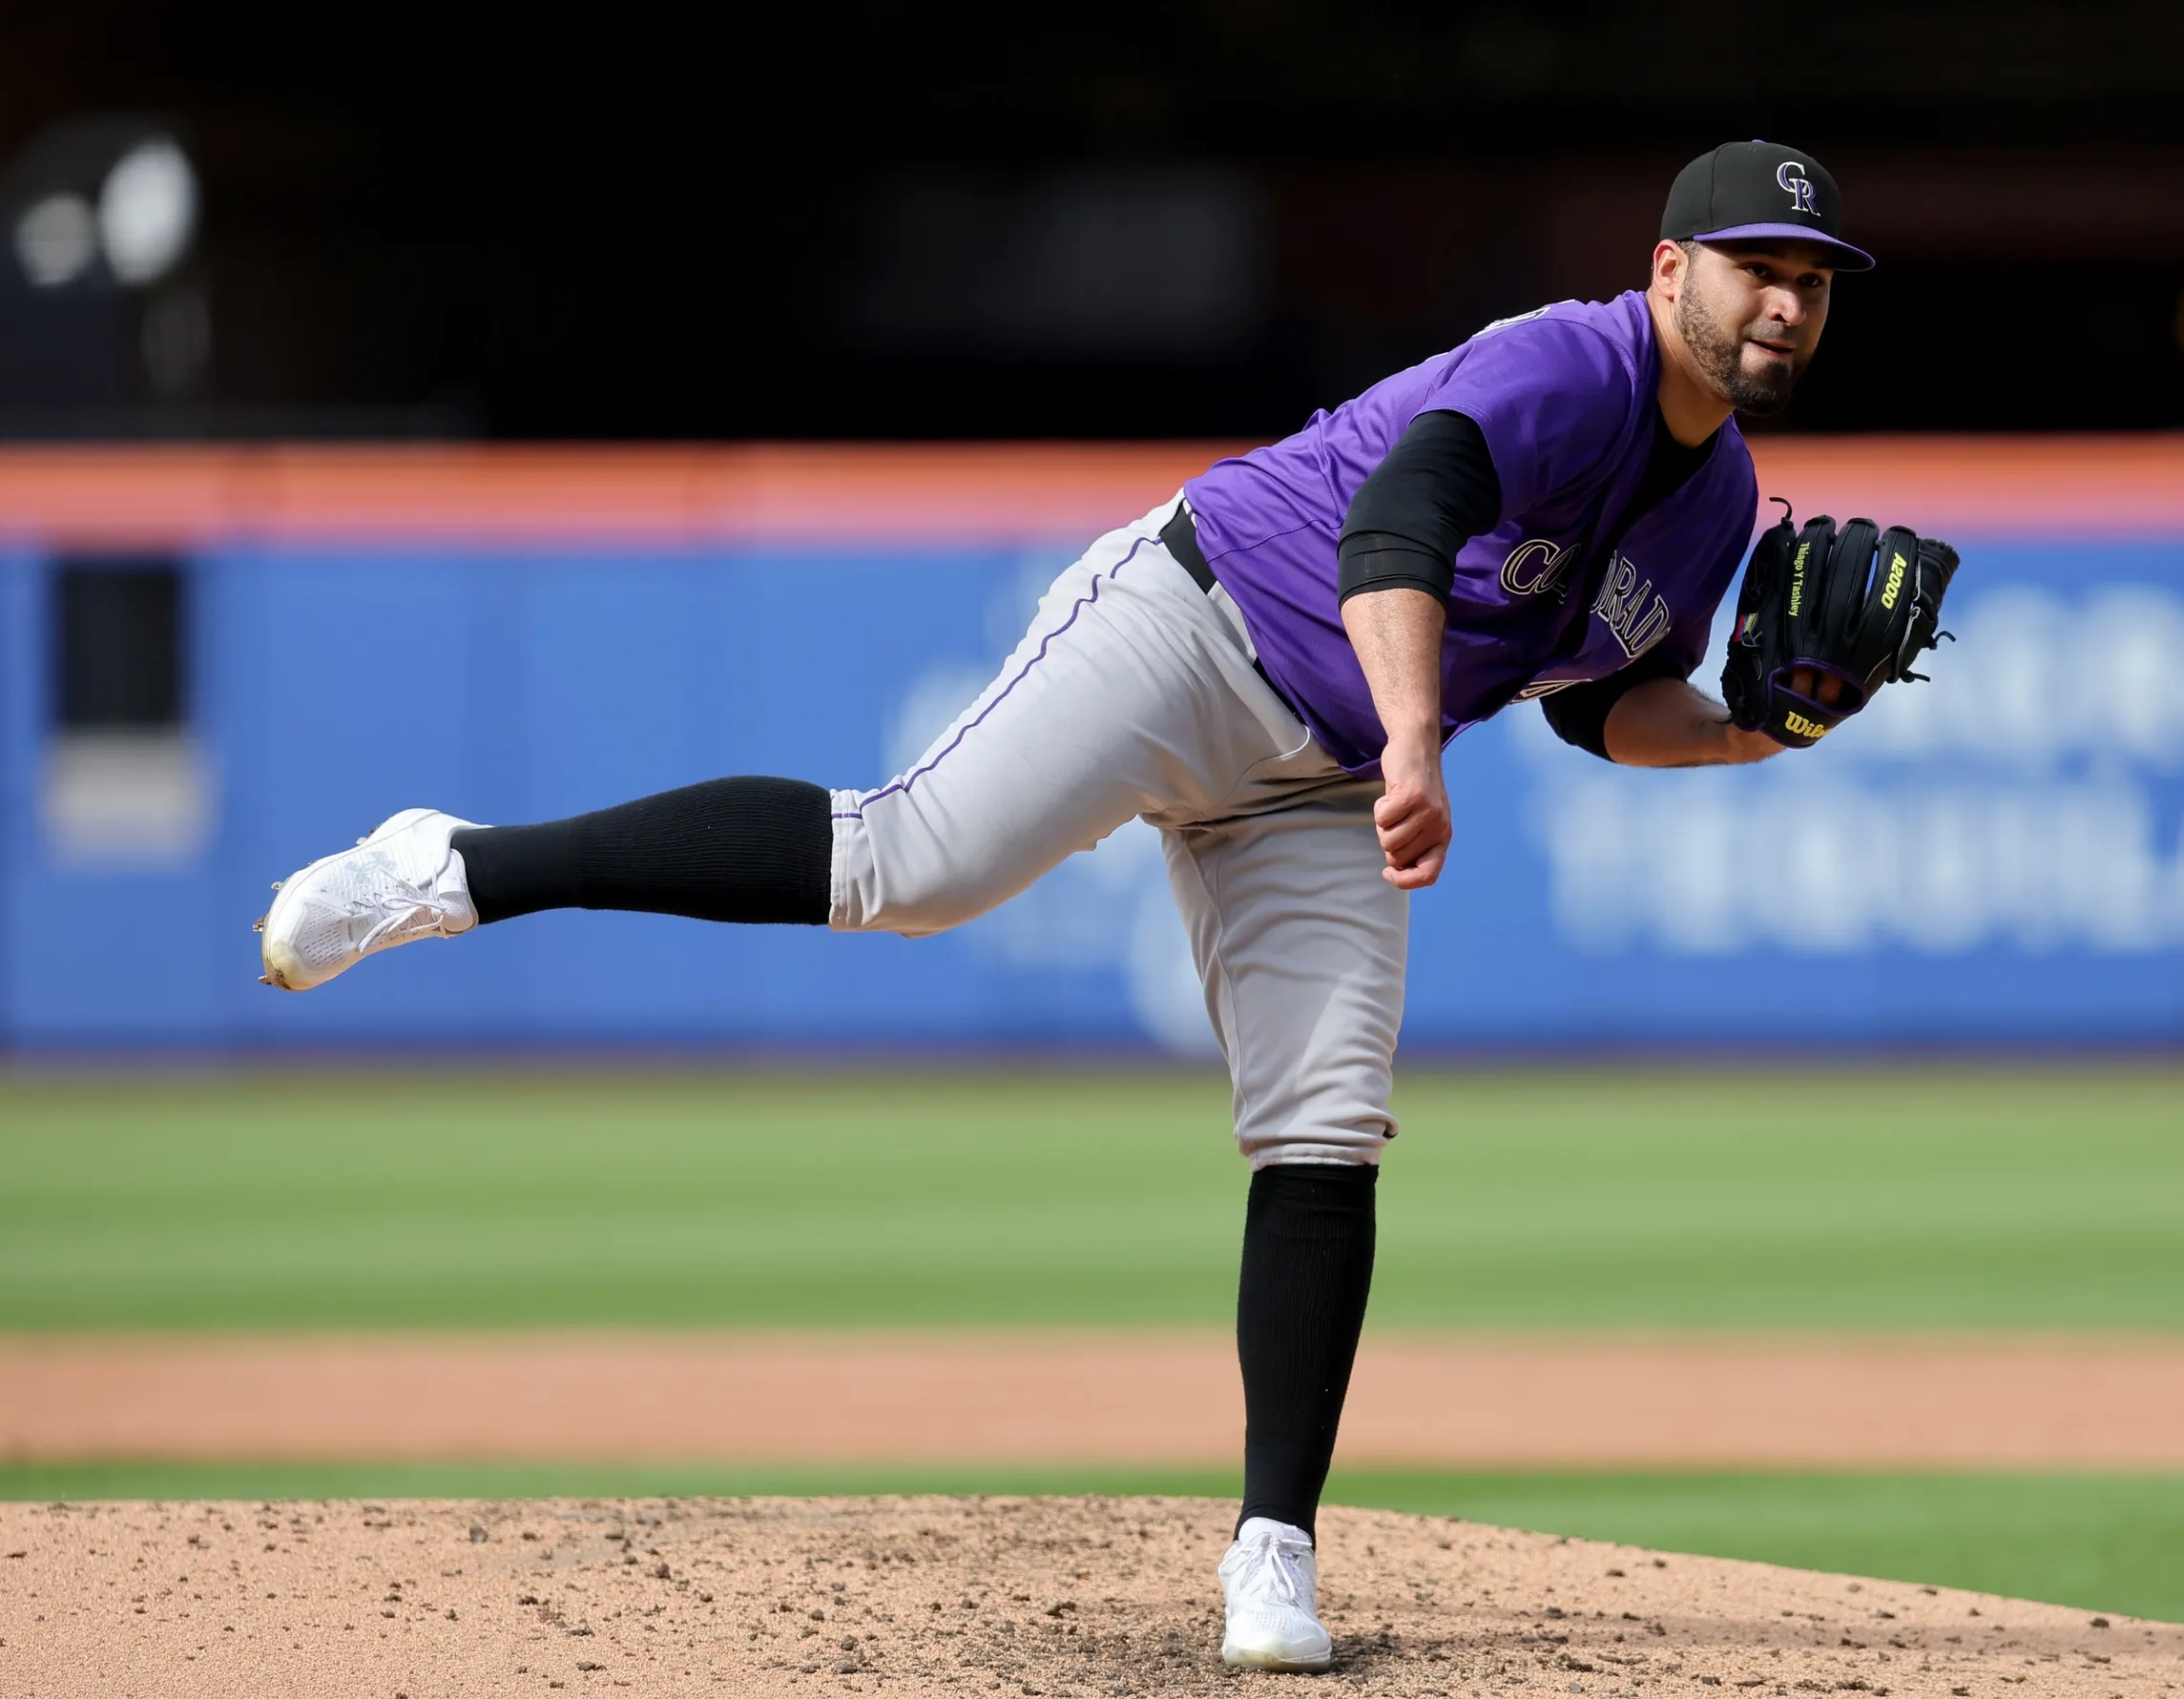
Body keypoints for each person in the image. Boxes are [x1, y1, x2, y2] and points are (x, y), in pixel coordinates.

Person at [258, 139, 1877, 1672]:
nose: (1786, 302)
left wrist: (1758, 728)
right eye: (1756, 268)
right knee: (910, 866)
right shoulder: (1557, 366)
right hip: (1201, 620)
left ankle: (1274, 1548)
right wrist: (1408, 742)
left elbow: (1601, 705)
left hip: (1322, 776)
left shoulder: (1718, 501)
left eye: (1812, 278)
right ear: (1669, 269)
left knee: (1328, 1123)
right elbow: (1396, 527)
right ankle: (452, 869)